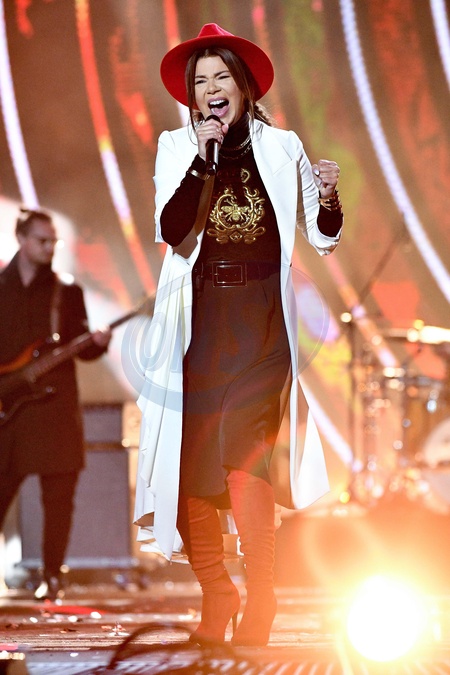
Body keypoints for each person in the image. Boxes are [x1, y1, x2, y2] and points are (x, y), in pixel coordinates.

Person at [134, 23, 343, 646]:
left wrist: (328, 195)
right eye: (200, 82)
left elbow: (322, 236)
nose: (211, 89)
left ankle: (263, 593)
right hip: (203, 320)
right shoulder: (176, 146)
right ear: (191, 96)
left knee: (244, 453)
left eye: (221, 77)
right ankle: (216, 593)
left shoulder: (282, 146)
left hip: (261, 320)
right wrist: (204, 159)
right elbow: (174, 231)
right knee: (192, 464)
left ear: (244, 86)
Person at [0, 207, 111, 600]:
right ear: (21, 239)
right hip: (10, 410)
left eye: (54, 241)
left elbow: (83, 348)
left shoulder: (67, 292)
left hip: (55, 408)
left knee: (59, 499)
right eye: (42, 240)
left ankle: (52, 575)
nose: (50, 248)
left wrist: (98, 344)